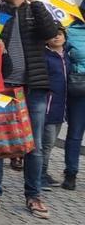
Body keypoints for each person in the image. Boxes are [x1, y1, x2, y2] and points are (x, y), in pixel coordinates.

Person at [0, 0, 58, 219]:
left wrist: (36, 1)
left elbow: (50, 32)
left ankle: (34, 196)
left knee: (34, 145)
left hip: (33, 88)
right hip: (3, 86)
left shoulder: (35, 10)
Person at [41, 26, 69, 189]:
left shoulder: (67, 57)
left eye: (59, 34)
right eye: (52, 35)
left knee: (49, 145)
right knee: (46, 144)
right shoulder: (46, 56)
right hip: (49, 108)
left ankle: (43, 173)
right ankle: (40, 176)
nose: (56, 37)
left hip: (61, 108)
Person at [64, 1, 85, 190]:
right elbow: (63, 57)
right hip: (80, 89)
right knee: (75, 132)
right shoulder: (71, 30)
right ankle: (71, 173)